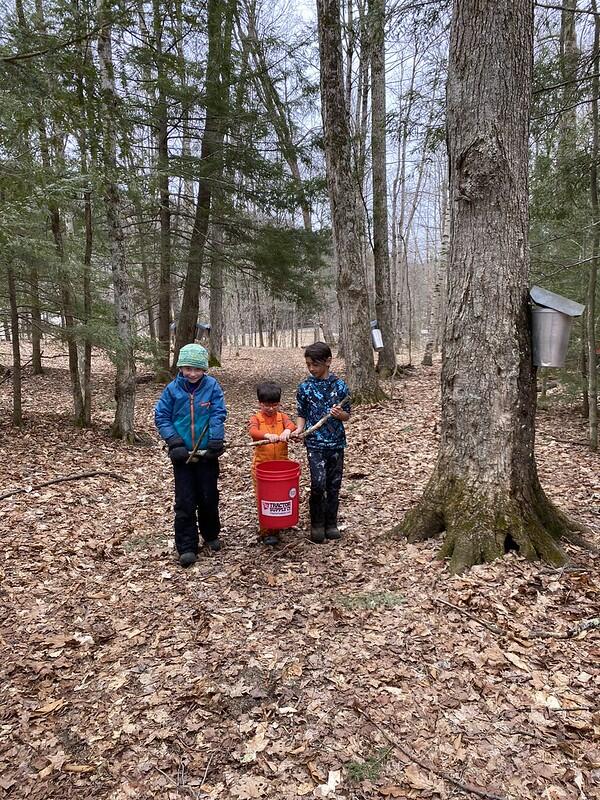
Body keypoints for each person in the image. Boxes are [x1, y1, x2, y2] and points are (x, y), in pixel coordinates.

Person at [155, 343, 227, 567]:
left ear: (205, 369)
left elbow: (218, 413)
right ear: (181, 368)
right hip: (182, 456)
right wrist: (174, 441)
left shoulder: (212, 386)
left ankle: (211, 533)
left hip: (207, 455)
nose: (193, 374)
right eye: (188, 369)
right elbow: (162, 417)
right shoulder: (172, 390)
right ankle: (186, 545)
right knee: (185, 501)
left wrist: (216, 439)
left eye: (197, 369)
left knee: (208, 496)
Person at [291, 342, 350, 543]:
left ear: (328, 362)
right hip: (315, 443)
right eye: (308, 364)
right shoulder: (305, 387)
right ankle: (317, 523)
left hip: (336, 443)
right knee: (318, 483)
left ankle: (331, 522)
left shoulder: (340, 386)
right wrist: (299, 429)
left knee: (334, 484)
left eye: (315, 365)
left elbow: (347, 416)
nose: (312, 369)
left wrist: (339, 414)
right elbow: (302, 412)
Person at [248, 381, 297, 546]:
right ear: (260, 403)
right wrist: (267, 436)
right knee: (264, 498)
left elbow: (291, 424)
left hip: (281, 468)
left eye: (274, 405)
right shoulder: (256, 418)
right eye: (266, 405)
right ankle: (267, 530)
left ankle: (280, 522)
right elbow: (253, 431)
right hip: (261, 468)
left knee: (280, 496)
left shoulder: (282, 417)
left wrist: (287, 431)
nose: (270, 408)